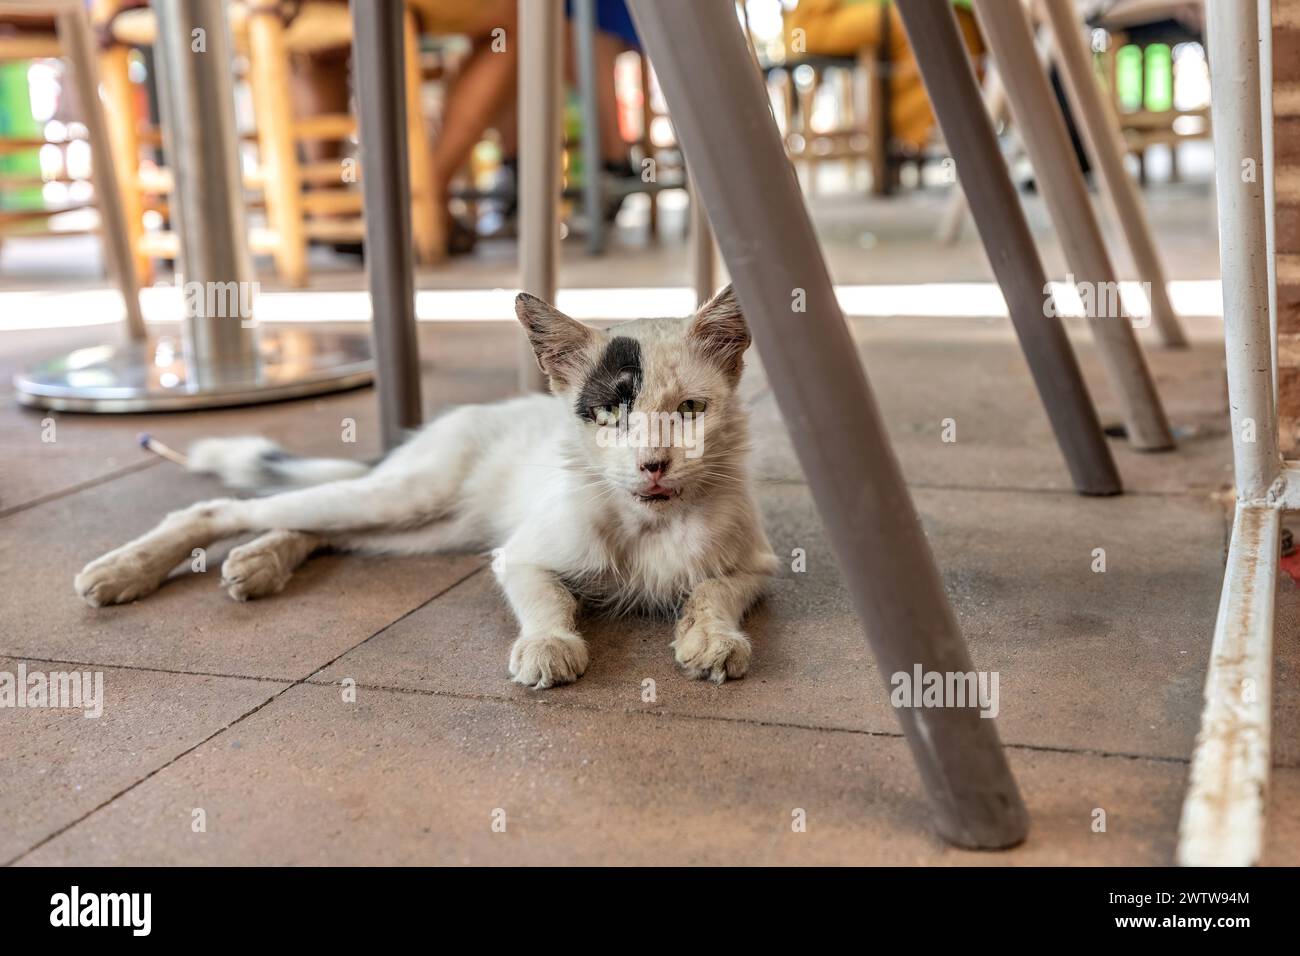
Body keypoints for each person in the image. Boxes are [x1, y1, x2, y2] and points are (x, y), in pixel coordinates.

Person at [783, 0, 985, 153]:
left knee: (960, 26)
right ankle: (906, 136)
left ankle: (933, 135)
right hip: (816, 20)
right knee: (916, 24)